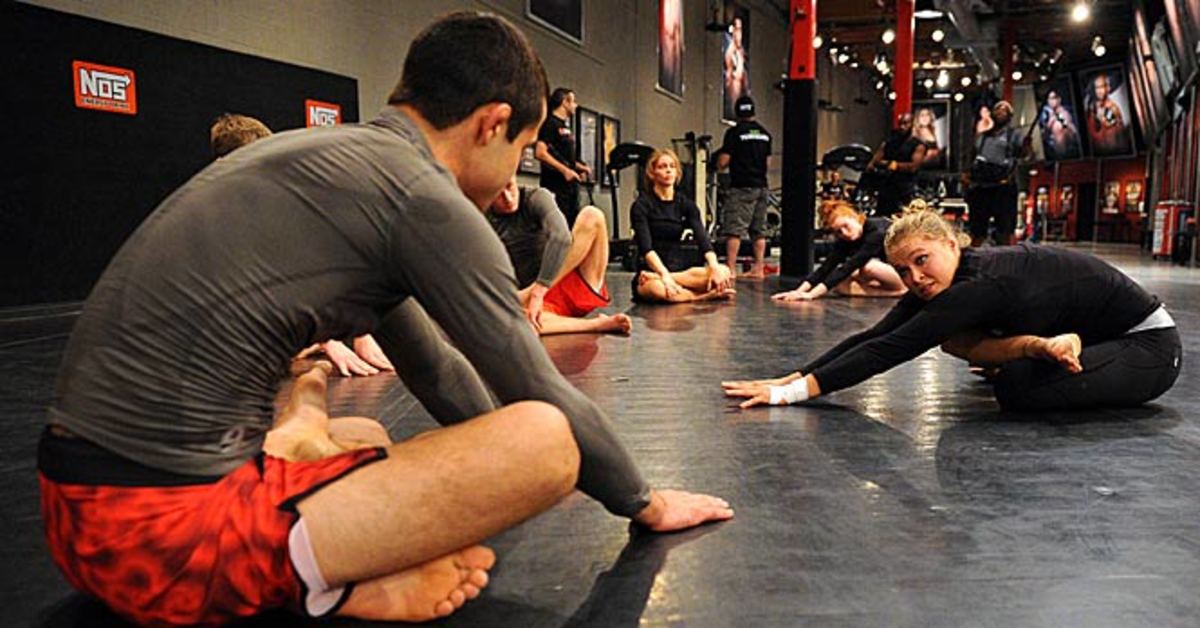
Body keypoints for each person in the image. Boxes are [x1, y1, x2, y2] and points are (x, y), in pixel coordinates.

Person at [39, 12, 732, 626]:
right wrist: (642, 501)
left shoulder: (345, 162)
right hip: (156, 548)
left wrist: (489, 466)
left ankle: (318, 563)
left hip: (79, 518)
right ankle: (318, 584)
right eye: (520, 153)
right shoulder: (422, 196)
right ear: (491, 123)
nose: (510, 180)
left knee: (362, 432)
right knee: (548, 442)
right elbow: (536, 392)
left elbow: (435, 369)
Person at [724, 206, 1181, 412]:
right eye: (904, 270)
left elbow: (892, 351)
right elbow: (875, 335)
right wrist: (793, 376)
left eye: (922, 261)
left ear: (949, 244)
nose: (915, 278)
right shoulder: (953, 277)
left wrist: (791, 395)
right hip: (1101, 336)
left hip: (1150, 348)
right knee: (995, 364)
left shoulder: (977, 285)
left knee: (1018, 388)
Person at [209, 113, 395, 377]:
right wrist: (329, 341)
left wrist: (362, 332)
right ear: (224, 164)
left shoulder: (277, 198)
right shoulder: (214, 212)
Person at [487, 176, 631, 335]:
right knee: (516, 321)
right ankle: (596, 325)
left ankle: (535, 295)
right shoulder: (480, 216)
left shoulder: (535, 197)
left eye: (510, 187)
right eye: (498, 194)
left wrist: (537, 290)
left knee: (592, 215)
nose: (508, 198)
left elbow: (561, 237)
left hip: (562, 282)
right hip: (536, 305)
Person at [631, 148, 735, 302]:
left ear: (677, 172)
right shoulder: (641, 206)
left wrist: (714, 266)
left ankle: (674, 286)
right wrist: (662, 274)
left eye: (672, 166)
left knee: (724, 271)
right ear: (652, 173)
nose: (668, 170)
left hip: (681, 272)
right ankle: (702, 296)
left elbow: (703, 239)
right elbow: (646, 249)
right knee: (657, 289)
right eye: (662, 167)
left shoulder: (686, 204)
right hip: (650, 272)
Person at [772, 200, 905, 301]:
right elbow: (826, 267)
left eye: (846, 226)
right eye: (839, 232)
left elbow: (850, 265)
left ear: (855, 218)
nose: (844, 233)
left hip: (905, 272)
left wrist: (811, 295)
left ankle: (901, 291)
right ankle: (891, 292)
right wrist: (798, 291)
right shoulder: (846, 240)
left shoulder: (876, 232)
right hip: (891, 273)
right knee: (840, 286)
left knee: (868, 267)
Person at [717, 95, 773, 278]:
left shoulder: (734, 133)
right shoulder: (765, 134)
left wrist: (717, 162)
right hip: (761, 186)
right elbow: (768, 163)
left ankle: (731, 268)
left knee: (735, 229)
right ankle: (759, 268)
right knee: (759, 230)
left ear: (737, 113)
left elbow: (723, 162)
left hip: (741, 186)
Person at [963, 101, 1029, 246]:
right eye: (998, 109)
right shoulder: (982, 137)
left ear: (1010, 116)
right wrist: (967, 176)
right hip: (981, 186)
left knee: (1005, 230)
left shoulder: (1014, 135)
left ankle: (1007, 257)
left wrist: (1025, 147)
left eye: (1005, 110)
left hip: (1003, 187)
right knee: (977, 230)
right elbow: (972, 157)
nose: (1000, 112)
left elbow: (1025, 154)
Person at [535, 87, 592, 226]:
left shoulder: (566, 127)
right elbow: (540, 152)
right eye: (573, 101)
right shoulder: (549, 124)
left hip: (569, 189)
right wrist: (564, 171)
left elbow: (566, 158)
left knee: (572, 225)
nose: (575, 105)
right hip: (555, 187)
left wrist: (581, 168)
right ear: (565, 102)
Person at [865, 112, 927, 217]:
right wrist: (887, 164)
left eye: (905, 123)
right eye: (900, 124)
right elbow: (875, 161)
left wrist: (896, 165)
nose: (902, 127)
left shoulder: (918, 145)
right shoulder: (890, 142)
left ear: (912, 124)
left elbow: (913, 166)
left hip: (906, 189)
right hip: (887, 189)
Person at [1085, 73, 1131, 155]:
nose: (1099, 91)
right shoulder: (1094, 107)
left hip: (1115, 151)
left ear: (1108, 88)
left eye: (1102, 87)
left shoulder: (1111, 108)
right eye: (1097, 88)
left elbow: (1109, 123)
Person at [1038, 89, 1081, 160]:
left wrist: (1068, 125)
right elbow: (1043, 134)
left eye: (1053, 98)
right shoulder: (1046, 113)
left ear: (1059, 99)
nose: (1051, 101)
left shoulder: (1065, 113)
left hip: (1067, 149)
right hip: (1053, 151)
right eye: (1049, 99)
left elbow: (1074, 132)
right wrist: (1050, 121)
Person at [723, 16, 749, 120]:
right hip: (733, 93)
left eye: (740, 30)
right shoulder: (730, 52)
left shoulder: (741, 52)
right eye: (737, 30)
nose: (739, 34)